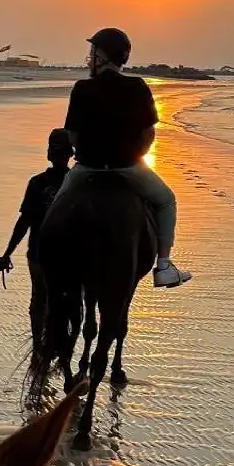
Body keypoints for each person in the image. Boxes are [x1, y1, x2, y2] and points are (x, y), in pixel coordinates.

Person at [57, 27, 191, 287]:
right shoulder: (138, 86)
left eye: (93, 51)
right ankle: (163, 266)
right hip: (129, 168)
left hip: (87, 169)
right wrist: (135, 157)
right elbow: (148, 134)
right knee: (166, 201)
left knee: (58, 206)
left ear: (103, 55)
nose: (90, 57)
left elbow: (72, 135)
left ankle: (51, 261)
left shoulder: (82, 87)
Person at [0, 128, 74, 344]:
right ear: (71, 154)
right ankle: (59, 344)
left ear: (49, 154)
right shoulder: (78, 182)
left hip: (39, 252)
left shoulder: (37, 183)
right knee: (69, 301)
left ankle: (38, 346)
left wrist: (7, 254)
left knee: (39, 299)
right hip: (69, 256)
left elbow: (24, 222)